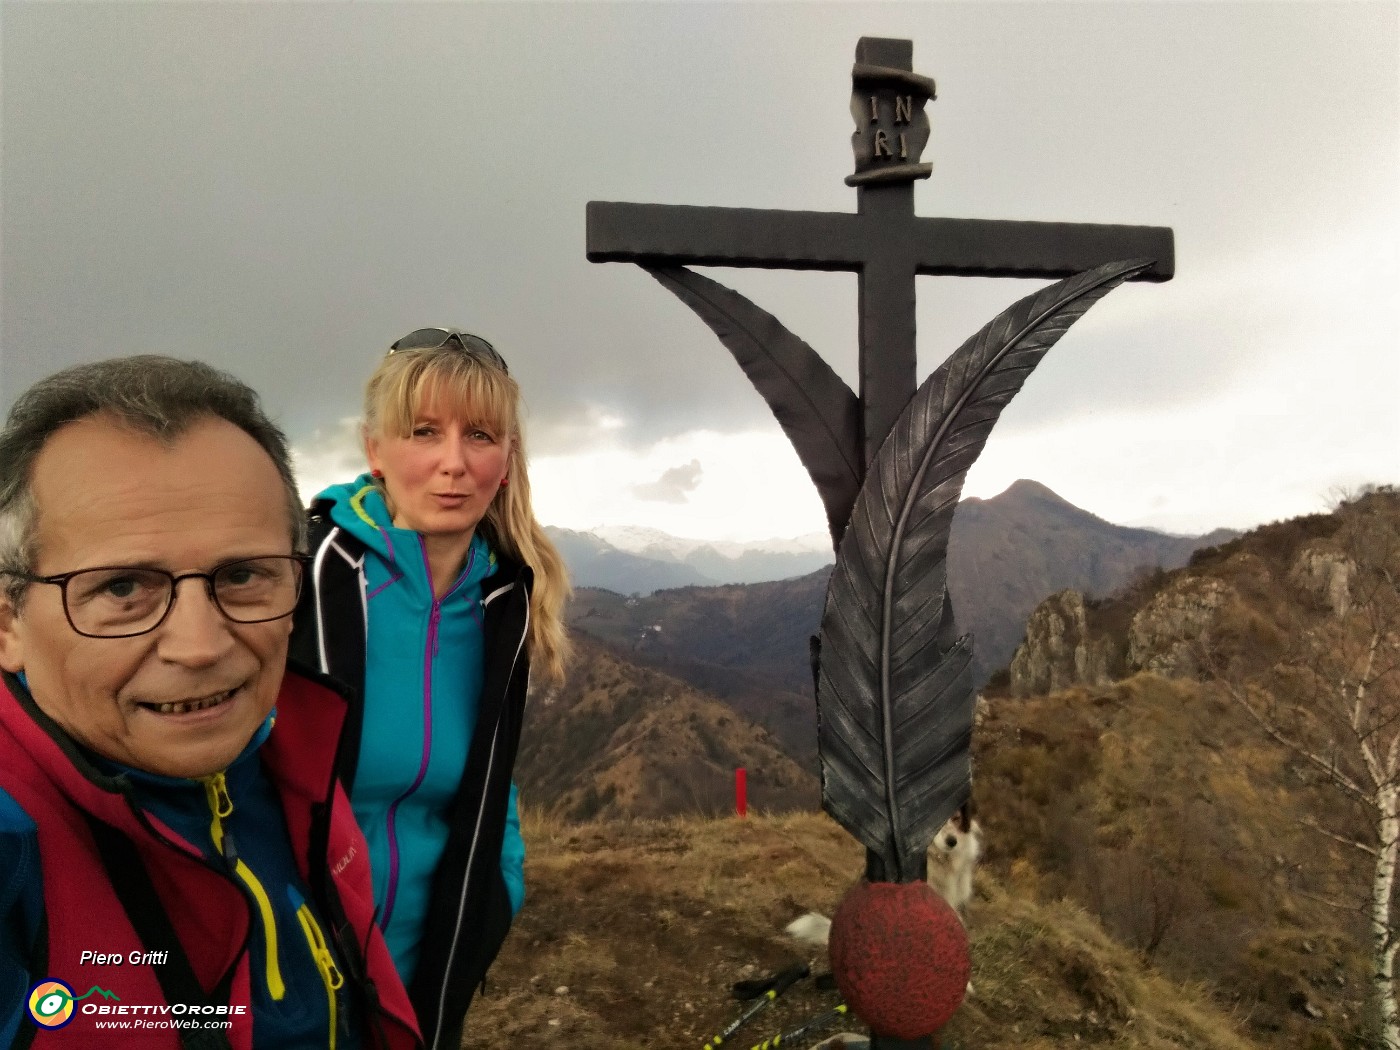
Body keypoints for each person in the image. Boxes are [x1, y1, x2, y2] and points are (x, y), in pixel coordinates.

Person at [0, 357, 421, 1049]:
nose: (198, 645)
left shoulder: (288, 755)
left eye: (244, 574)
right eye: (121, 589)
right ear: (9, 624)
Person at [290, 327, 570, 1049]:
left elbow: (489, 779)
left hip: (431, 968)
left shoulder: (505, 604)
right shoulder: (301, 577)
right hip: (290, 963)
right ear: (375, 450)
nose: (454, 464)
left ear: (505, 460)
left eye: (480, 434)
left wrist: (501, 889)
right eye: (423, 432)